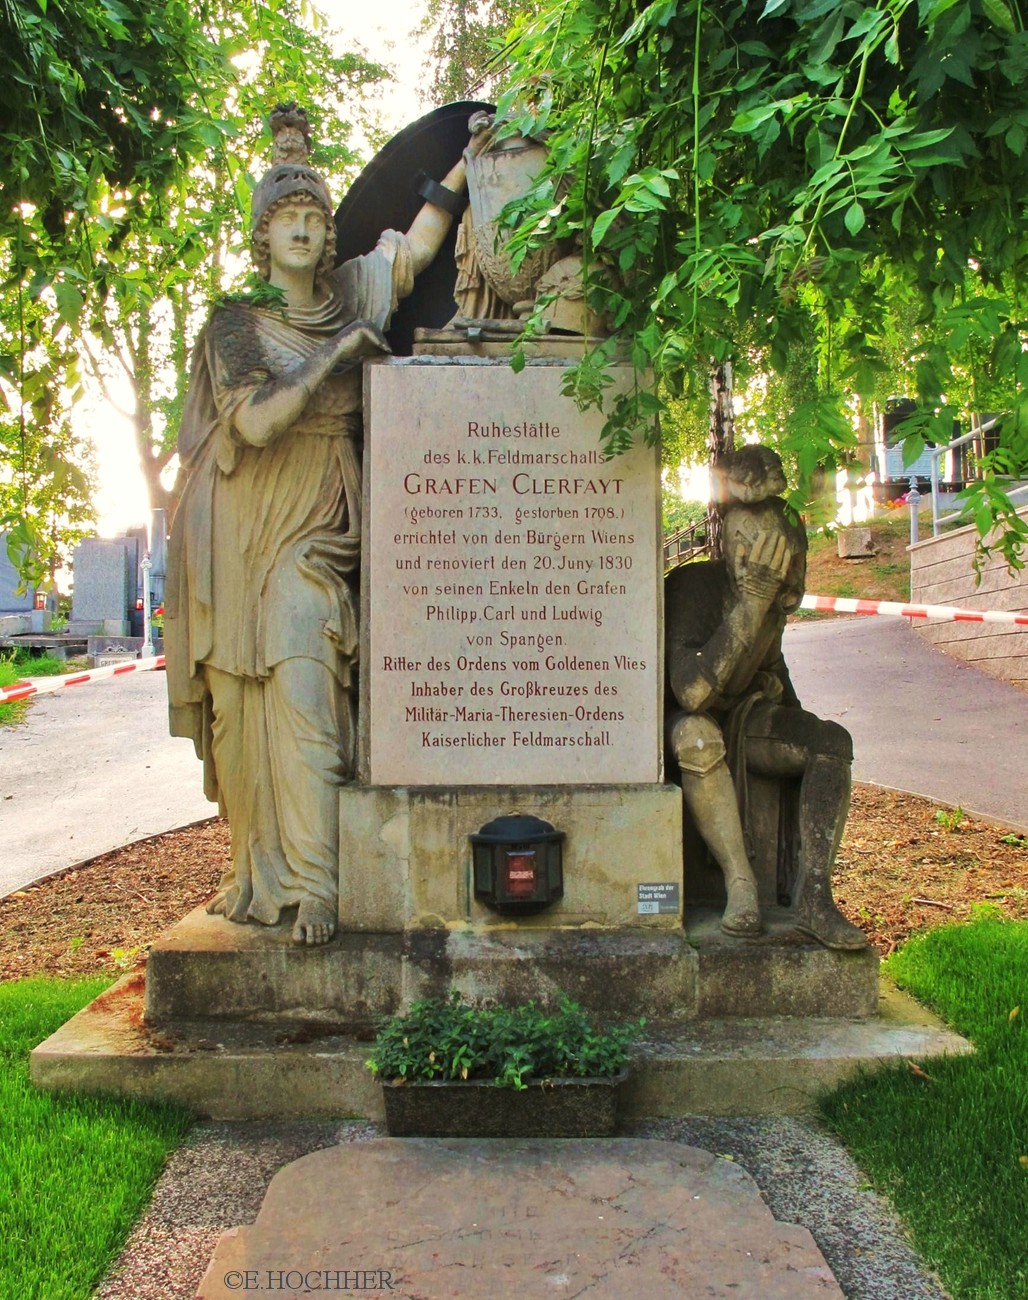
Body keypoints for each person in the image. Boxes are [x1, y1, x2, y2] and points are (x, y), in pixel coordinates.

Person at [165, 105, 481, 946]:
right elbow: (258, 423)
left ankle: (319, 884)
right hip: (237, 525)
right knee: (240, 715)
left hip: (314, 524)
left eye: (315, 217)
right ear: (263, 238)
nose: (303, 229)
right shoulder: (234, 325)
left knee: (304, 690)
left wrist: (463, 167)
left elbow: (414, 250)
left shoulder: (348, 292)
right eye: (286, 219)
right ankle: (258, 875)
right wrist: (339, 357)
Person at [664, 447, 867, 950]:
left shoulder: (770, 597)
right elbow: (690, 693)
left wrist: (789, 707)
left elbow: (771, 665)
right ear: (732, 546)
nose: (769, 565)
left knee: (829, 742)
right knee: (698, 738)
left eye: (781, 554)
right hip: (684, 723)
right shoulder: (694, 586)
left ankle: (815, 898)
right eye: (754, 546)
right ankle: (741, 884)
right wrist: (749, 608)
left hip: (745, 716)